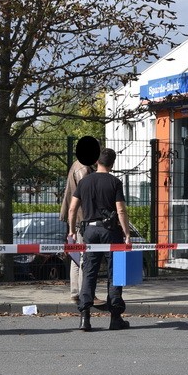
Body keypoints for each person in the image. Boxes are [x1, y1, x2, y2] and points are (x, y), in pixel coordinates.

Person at [67, 147, 132, 332]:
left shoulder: (85, 182)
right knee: (116, 272)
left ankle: (85, 317)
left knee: (89, 271)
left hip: (89, 231)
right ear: (112, 164)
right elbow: (120, 210)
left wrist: (72, 230)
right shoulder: (115, 182)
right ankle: (115, 317)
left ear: (97, 162)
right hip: (111, 232)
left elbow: (72, 209)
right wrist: (126, 233)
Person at [59, 137, 98, 301]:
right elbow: (86, 193)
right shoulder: (83, 169)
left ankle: (75, 291)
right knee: (85, 257)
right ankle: (84, 292)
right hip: (82, 218)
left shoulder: (76, 165)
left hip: (74, 217)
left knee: (76, 256)